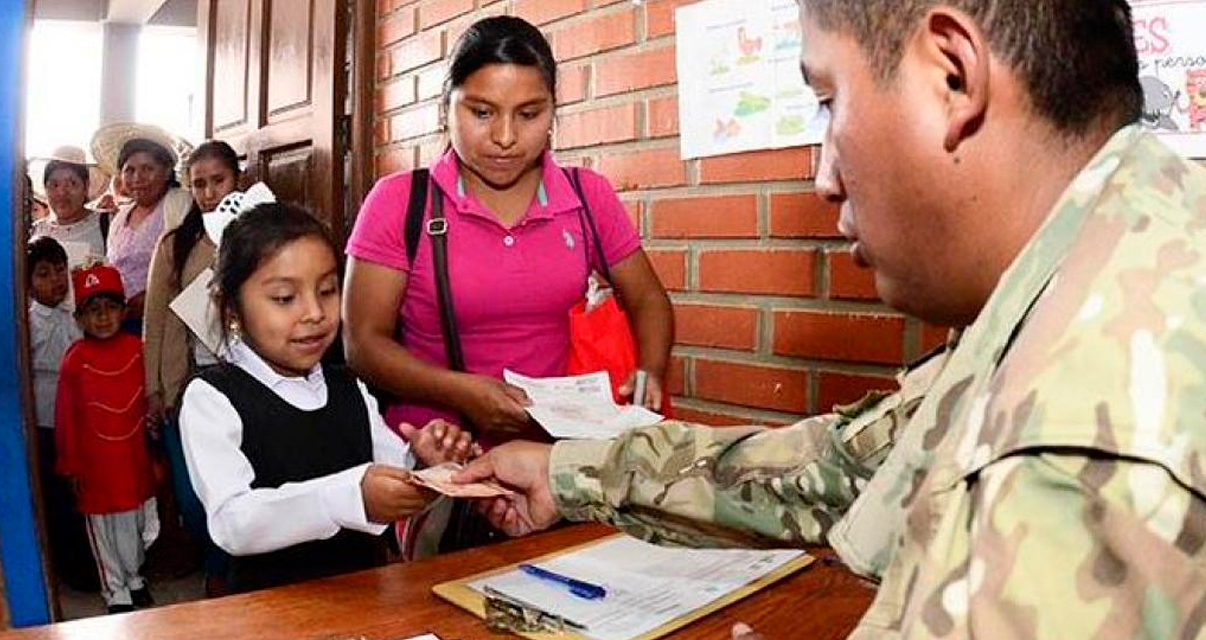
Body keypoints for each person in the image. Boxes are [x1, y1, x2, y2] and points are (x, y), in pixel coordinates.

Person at [457, 1, 1206, 638]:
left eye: (826, 98)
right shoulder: (1112, 251)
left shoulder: (1082, 418)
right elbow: (837, 469)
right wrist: (567, 472)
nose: (822, 178)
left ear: (953, 75)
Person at [344, 15, 672, 552]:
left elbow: (649, 301)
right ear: (446, 105)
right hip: (442, 462)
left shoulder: (586, 196)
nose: (504, 137)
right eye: (480, 112)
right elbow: (363, 344)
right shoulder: (400, 203)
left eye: (529, 114)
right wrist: (463, 393)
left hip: (558, 462)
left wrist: (650, 372)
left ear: (553, 113)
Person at [179, 203, 477, 594]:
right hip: (270, 612)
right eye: (285, 298)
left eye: (327, 290)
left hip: (362, 598)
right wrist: (345, 498)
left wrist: (424, 463)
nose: (315, 313)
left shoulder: (347, 386)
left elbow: (387, 478)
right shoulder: (213, 397)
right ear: (231, 306)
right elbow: (234, 522)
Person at [142, 139, 242, 596]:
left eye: (217, 180)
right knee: (191, 498)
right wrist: (157, 388)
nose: (208, 193)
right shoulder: (176, 243)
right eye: (198, 183)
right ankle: (215, 560)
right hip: (191, 388)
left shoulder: (259, 232)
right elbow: (157, 321)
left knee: (245, 488)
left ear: (236, 179)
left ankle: (227, 576)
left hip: (249, 383)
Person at [55, 262, 157, 614]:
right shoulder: (75, 360)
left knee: (139, 525)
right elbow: (65, 418)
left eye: (110, 308)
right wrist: (69, 464)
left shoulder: (137, 348)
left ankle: (135, 579)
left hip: (134, 461)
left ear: (123, 310)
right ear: (79, 319)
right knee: (105, 532)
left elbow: (149, 400)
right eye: (92, 311)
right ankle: (116, 591)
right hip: (95, 467)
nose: (102, 318)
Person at [26, 237, 98, 592]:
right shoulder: (28, 325)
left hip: (81, 420)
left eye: (59, 271)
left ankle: (93, 562)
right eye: (42, 274)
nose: (55, 279)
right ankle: (71, 568)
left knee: (84, 492)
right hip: (46, 424)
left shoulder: (77, 317)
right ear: (27, 284)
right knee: (57, 498)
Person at [91, 123, 194, 334]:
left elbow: (193, 265)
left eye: (148, 168)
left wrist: (153, 295)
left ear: (166, 171)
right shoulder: (119, 218)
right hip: (120, 324)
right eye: (130, 170)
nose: (138, 178)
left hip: (166, 323)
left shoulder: (180, 205)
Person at [28, 146, 110, 265]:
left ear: (86, 186)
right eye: (54, 185)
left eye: (72, 184)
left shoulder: (107, 223)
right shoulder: (35, 231)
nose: (62, 192)